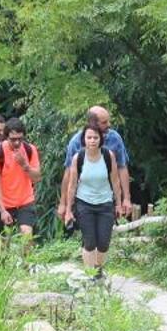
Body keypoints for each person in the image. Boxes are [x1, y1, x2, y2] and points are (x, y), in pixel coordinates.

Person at [58, 121, 128, 282]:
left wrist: (119, 203)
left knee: (103, 242)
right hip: (84, 203)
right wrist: (68, 209)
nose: (92, 140)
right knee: (89, 242)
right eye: (89, 137)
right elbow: (72, 184)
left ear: (100, 139)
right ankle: (91, 276)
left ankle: (98, 269)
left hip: (105, 203)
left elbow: (115, 181)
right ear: (84, 139)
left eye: (95, 137)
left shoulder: (108, 156)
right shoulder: (79, 157)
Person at [62, 105, 132, 218]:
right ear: (92, 123)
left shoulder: (115, 138)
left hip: (109, 198)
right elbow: (69, 174)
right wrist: (63, 204)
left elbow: (122, 168)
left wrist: (126, 199)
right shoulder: (76, 143)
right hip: (84, 198)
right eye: (104, 122)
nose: (109, 125)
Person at [0, 116, 43, 246]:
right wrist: (2, 211)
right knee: (1, 244)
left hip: (25, 201)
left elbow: (37, 177)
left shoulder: (30, 150)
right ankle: (0, 265)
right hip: (3, 203)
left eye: (20, 139)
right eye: (13, 140)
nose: (17, 143)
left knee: (27, 236)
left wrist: (25, 165)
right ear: (6, 137)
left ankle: (26, 265)